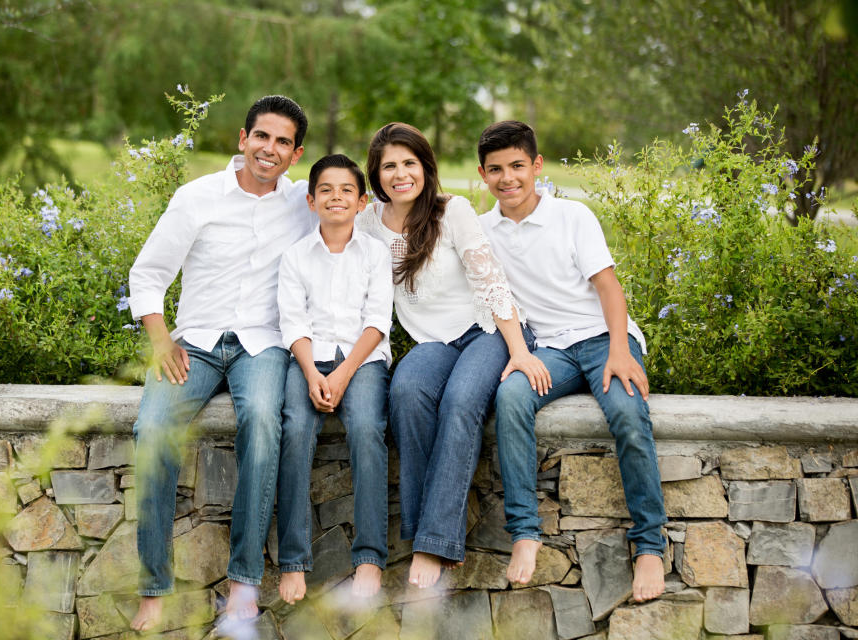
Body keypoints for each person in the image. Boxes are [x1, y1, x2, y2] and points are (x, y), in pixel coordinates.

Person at [126, 95, 312, 630]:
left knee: (262, 421)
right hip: (197, 342)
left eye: (282, 142)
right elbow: (149, 273)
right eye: (262, 136)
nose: (269, 149)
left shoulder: (303, 203)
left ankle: (243, 581)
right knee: (152, 428)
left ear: (295, 153)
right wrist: (161, 341)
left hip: (264, 343)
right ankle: (154, 586)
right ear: (242, 138)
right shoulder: (197, 197)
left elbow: (356, 211)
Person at [476, 120, 666, 601]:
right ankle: (524, 533)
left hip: (604, 338)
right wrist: (521, 353)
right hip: (551, 351)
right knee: (512, 396)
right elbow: (498, 299)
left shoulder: (572, 217)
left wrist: (621, 351)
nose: (508, 178)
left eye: (518, 166)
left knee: (626, 411)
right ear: (482, 174)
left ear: (536, 166)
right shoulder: (483, 231)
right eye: (496, 169)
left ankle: (649, 546)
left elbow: (608, 288)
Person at [356, 123, 551, 589]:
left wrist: (519, 351)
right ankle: (426, 528)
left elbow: (490, 281)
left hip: (488, 328)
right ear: (376, 174)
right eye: (389, 166)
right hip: (433, 341)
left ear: (426, 167)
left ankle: (434, 543)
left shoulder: (452, 210)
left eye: (410, 163)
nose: (401, 174)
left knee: (462, 400)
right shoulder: (368, 223)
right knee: (405, 390)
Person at [275, 154, 393, 605]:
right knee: (296, 431)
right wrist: (311, 373)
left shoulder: (374, 253)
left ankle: (368, 556)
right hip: (308, 359)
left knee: (366, 429)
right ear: (310, 200)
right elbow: (293, 322)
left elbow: (377, 320)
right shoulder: (296, 256)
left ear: (362, 202)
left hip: (361, 361)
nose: (336, 197)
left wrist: (342, 374)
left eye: (347, 190)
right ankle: (293, 560)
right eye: (326, 189)